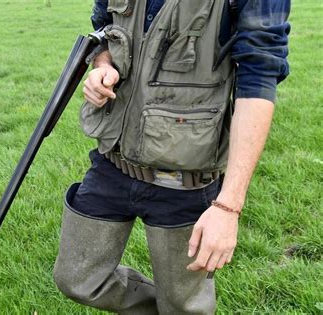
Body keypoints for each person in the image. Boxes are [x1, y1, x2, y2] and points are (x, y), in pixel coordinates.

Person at [53, 0, 290, 314]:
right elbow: (103, 31)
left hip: (187, 182)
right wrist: (102, 66)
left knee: (183, 306)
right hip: (112, 161)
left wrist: (228, 206)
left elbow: (259, 78)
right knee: (76, 279)